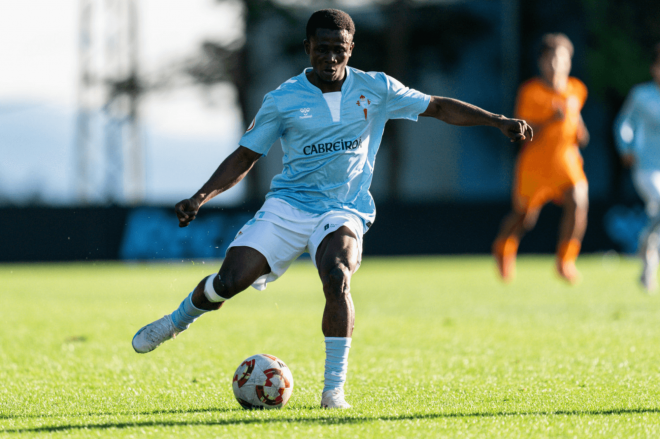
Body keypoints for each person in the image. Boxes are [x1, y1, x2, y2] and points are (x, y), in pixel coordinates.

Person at [132, 9, 532, 409]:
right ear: (307, 48)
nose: (330, 57)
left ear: (351, 49)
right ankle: (174, 322)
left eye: (338, 49)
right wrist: (200, 197)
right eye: (321, 48)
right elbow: (245, 157)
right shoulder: (283, 100)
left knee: (338, 274)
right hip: (289, 206)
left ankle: (333, 391)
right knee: (229, 281)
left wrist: (498, 121)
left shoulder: (376, 88)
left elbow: (440, 107)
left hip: (343, 209)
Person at [492, 33, 589, 284]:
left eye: (562, 59)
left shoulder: (576, 89)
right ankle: (503, 248)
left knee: (579, 200)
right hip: (535, 164)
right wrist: (550, 120)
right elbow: (523, 134)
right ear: (542, 62)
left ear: (569, 61)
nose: (556, 64)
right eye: (551, 59)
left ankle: (565, 261)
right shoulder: (530, 92)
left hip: (565, 160)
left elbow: (578, 127)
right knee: (525, 217)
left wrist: (579, 131)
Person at [614, 43, 660, 292]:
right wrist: (626, 147)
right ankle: (645, 244)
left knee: (657, 217)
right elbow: (623, 123)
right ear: (654, 68)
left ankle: (647, 263)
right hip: (648, 168)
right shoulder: (641, 95)